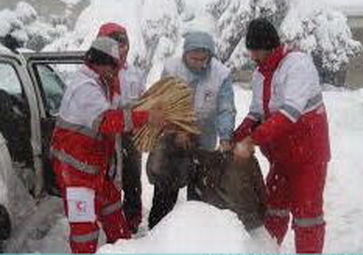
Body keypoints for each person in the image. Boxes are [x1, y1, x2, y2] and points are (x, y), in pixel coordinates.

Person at [50, 36, 165, 253]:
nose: (116, 72)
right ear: (100, 62)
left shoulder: (102, 82)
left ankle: (122, 248)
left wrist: (144, 106)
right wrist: (146, 117)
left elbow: (120, 106)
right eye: (114, 67)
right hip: (75, 171)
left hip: (97, 168)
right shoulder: (84, 87)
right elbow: (107, 120)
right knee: (85, 231)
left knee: (115, 217)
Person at [232, 18, 331, 253]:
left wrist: (252, 140)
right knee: (273, 208)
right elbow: (256, 113)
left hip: (308, 156)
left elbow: (290, 113)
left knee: (307, 216)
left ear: (271, 46)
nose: (253, 57)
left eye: (257, 51)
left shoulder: (298, 65)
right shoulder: (260, 74)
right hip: (282, 155)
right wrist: (236, 136)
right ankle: (267, 250)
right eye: (251, 51)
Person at [148, 30, 236, 229]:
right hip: (174, 136)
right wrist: (177, 129)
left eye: (203, 59)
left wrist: (225, 136)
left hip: (204, 135)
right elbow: (164, 103)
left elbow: (225, 109)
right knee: (166, 188)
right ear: (185, 54)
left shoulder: (221, 75)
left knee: (200, 191)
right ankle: (157, 231)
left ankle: (194, 234)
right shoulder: (172, 69)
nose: (199, 63)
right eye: (193, 58)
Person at [97, 22, 146, 234]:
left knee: (132, 176)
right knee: (108, 176)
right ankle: (108, 218)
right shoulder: (97, 72)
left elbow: (143, 99)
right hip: (105, 132)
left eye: (125, 43)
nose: (122, 48)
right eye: (117, 43)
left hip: (129, 131)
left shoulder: (134, 73)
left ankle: (133, 218)